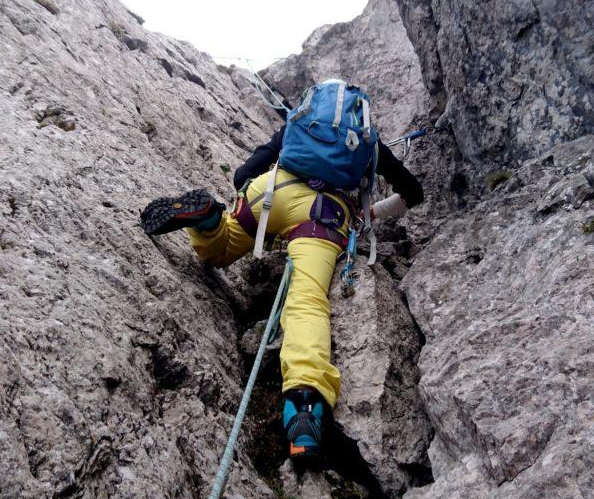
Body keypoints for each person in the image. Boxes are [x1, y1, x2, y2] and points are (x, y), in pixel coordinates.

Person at [139, 80, 423, 467]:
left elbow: (243, 173)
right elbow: (414, 193)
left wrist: (262, 215)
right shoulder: (369, 144)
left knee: (218, 250)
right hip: (322, 216)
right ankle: (303, 412)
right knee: (306, 302)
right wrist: (370, 214)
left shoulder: (296, 123)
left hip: (269, 194)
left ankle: (207, 218)